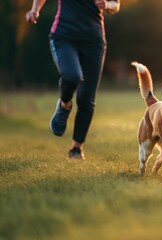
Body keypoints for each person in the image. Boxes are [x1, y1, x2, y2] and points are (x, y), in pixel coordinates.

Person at [25, 0, 120, 160]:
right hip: (64, 36)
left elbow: (116, 5)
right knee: (72, 76)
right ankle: (65, 104)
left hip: (94, 42)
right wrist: (35, 10)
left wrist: (107, 5)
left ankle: (76, 148)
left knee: (86, 99)